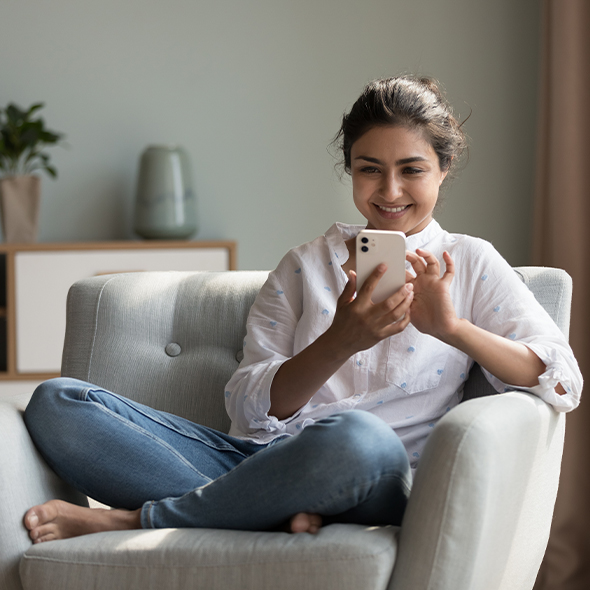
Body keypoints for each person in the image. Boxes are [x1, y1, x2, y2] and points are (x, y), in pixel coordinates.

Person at [23, 75, 582, 544]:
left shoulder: (472, 262)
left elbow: (560, 381)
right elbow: (248, 411)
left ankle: (137, 520)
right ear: (350, 169)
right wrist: (341, 339)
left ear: (443, 168)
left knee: (354, 436)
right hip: (258, 462)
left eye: (411, 169)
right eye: (369, 169)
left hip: (372, 471)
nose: (389, 191)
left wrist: (452, 328)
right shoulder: (303, 267)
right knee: (58, 401)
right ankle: (267, 509)